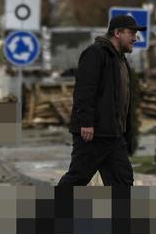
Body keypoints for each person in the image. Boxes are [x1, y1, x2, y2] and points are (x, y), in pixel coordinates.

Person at [56, 14, 143, 186]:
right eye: (131, 33)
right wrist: (87, 122)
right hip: (94, 133)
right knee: (78, 177)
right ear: (117, 33)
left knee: (123, 179)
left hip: (113, 134)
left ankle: (121, 213)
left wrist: (126, 133)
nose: (135, 38)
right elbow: (84, 91)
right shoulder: (95, 53)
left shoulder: (120, 60)